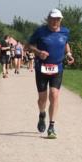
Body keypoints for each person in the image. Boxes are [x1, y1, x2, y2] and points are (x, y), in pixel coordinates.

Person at [26, 10, 74, 138]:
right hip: (41, 68)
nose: (55, 21)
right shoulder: (40, 31)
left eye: (58, 19)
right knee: (42, 99)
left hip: (57, 68)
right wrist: (38, 52)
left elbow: (66, 43)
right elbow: (29, 46)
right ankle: (42, 114)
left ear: (61, 20)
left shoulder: (65, 32)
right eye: (53, 19)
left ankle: (51, 126)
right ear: (48, 19)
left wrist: (68, 54)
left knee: (54, 95)